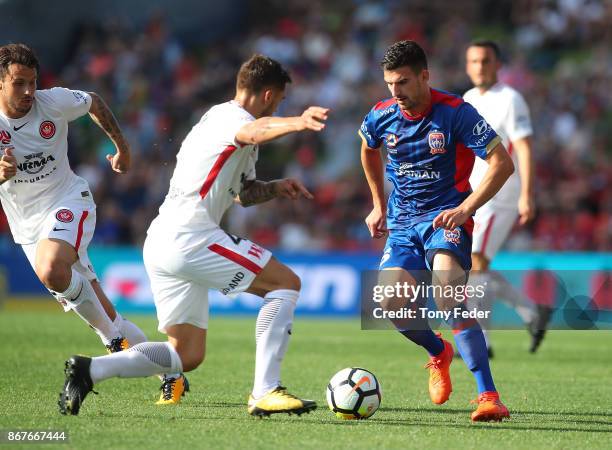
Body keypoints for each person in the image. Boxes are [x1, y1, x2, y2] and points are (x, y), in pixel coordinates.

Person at [58, 54, 329, 417]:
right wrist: (298, 122)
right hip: (191, 236)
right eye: (279, 101)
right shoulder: (232, 118)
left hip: (164, 239)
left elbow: (243, 194)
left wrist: (276, 187)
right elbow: (253, 131)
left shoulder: (219, 123)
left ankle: (90, 369)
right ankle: (265, 391)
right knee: (286, 283)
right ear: (268, 96)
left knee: (186, 354)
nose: (277, 108)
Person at [0, 43, 184, 404]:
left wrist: (122, 146)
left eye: (32, 82)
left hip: (69, 202)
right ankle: (172, 371)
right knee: (108, 311)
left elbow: (94, 101)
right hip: (27, 227)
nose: (28, 92)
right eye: (19, 83)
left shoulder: (52, 102)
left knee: (52, 268)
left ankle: (111, 341)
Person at [359, 40, 514, 421]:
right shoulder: (382, 115)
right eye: (390, 85)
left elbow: (502, 163)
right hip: (402, 225)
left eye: (404, 83)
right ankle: (437, 351)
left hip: (445, 220)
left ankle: (489, 396)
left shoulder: (456, 113)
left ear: (425, 76)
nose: (397, 93)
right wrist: (378, 204)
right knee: (389, 304)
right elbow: (367, 148)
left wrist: (465, 209)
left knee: (448, 293)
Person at [464, 40, 552, 355]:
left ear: (497, 64)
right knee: (474, 265)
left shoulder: (511, 100)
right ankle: (531, 311)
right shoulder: (469, 99)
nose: (479, 66)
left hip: (501, 193)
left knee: (476, 262)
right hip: (472, 191)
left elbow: (524, 147)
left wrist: (527, 193)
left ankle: (480, 341)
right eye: (473, 61)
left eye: (485, 60)